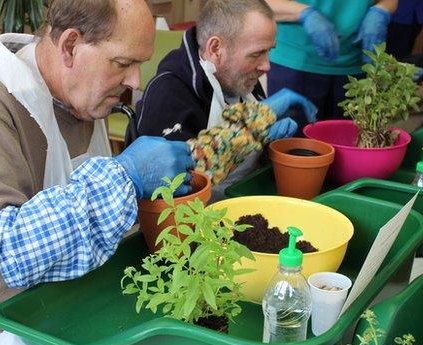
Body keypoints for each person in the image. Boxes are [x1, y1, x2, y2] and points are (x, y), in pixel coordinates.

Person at [0, 0, 194, 341]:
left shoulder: (80, 95)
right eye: (123, 63)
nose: (135, 81)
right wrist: (124, 176)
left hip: (83, 303)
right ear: (70, 46)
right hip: (6, 330)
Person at [133, 0, 317, 200]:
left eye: (269, 51)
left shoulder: (240, 78)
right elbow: (177, 183)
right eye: (257, 54)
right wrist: (253, 128)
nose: (266, 66)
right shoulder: (168, 93)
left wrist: (268, 142)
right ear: (215, 49)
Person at [264, 0, 398, 123]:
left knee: (353, 143)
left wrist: (381, 9)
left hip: (357, 67)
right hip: (295, 62)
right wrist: (303, 13)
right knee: (293, 145)